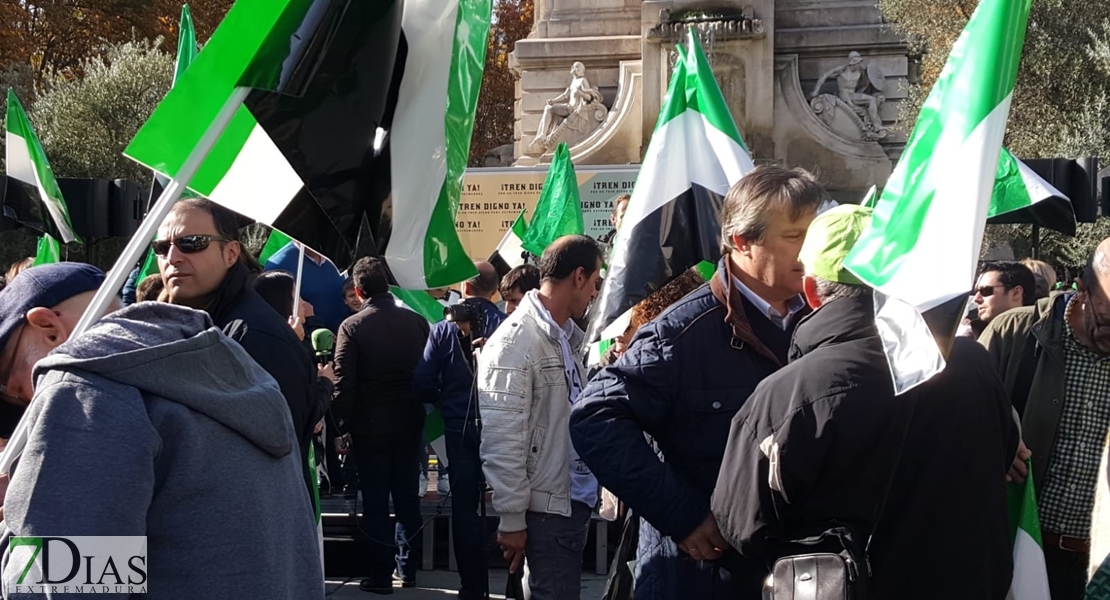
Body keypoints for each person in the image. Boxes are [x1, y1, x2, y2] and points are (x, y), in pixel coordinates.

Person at [711, 204, 1018, 599]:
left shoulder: (787, 395)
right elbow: (1005, 452)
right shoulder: (974, 362)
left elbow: (742, 524)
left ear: (811, 291)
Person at [569, 165, 824, 600]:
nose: (811, 250)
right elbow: (595, 417)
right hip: (699, 574)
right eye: (795, 236)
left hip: (794, 572)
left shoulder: (821, 324)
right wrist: (683, 515)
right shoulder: (683, 332)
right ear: (742, 241)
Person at [0, 262, 324, 598]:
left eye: (11, 385)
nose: (24, 401)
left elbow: (66, 587)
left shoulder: (85, 388)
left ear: (48, 327)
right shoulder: (238, 369)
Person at [155, 198, 318, 502]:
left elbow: (272, 456)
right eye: (161, 247)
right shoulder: (196, 327)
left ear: (231, 253)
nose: (173, 257)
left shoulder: (254, 337)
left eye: (191, 243)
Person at [980, 238, 1110, 600]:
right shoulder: (1014, 333)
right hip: (1017, 553)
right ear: (1082, 290)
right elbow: (957, 421)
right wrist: (999, 444)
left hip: (1100, 570)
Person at [478, 235, 603, 600]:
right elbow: (503, 438)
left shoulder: (565, 335)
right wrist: (513, 519)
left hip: (566, 502)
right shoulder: (516, 341)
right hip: (546, 510)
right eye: (595, 282)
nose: (596, 292)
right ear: (579, 277)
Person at [333, 257, 431, 594]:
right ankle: (409, 569)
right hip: (409, 420)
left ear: (359, 291)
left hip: (369, 425)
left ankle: (379, 574)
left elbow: (344, 383)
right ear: (387, 286)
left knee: (375, 502)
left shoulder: (352, 327)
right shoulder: (417, 322)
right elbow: (427, 372)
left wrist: (339, 426)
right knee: (407, 499)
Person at [413, 260, 507, 600]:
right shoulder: (508, 324)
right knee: (512, 502)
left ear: (465, 287)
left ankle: (472, 587)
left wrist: (443, 399)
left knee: (465, 508)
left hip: (459, 424)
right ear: (495, 290)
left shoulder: (442, 329)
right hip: (501, 424)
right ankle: (512, 583)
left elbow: (422, 381)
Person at [264, 241, 351, 333]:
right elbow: (276, 317)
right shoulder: (278, 266)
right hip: (316, 342)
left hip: (348, 335)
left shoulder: (341, 254)